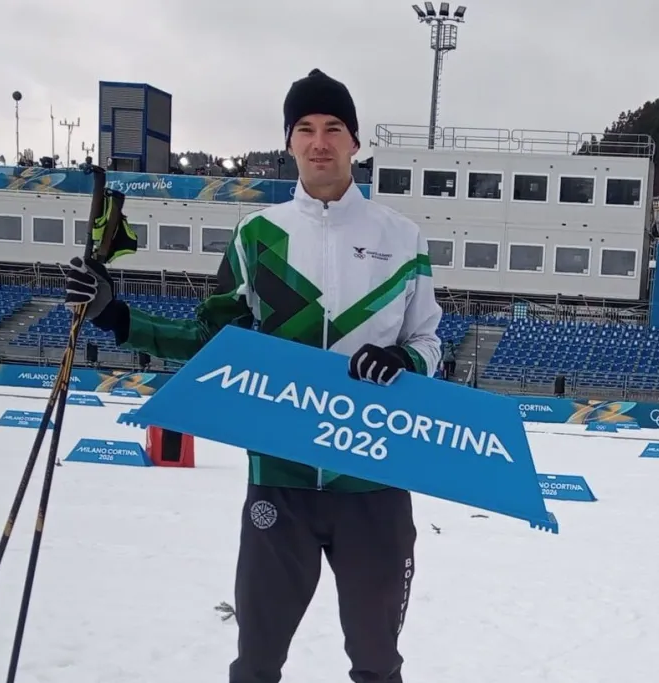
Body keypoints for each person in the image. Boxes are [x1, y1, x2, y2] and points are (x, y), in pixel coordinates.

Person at [65, 68, 443, 683]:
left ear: (355, 141)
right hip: (279, 480)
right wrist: (119, 316)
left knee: (377, 664)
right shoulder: (256, 234)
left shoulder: (402, 239)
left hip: (372, 478)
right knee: (257, 662)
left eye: (333, 129)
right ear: (289, 142)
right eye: (305, 130)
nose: (320, 142)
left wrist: (406, 361)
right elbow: (214, 341)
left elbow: (428, 341)